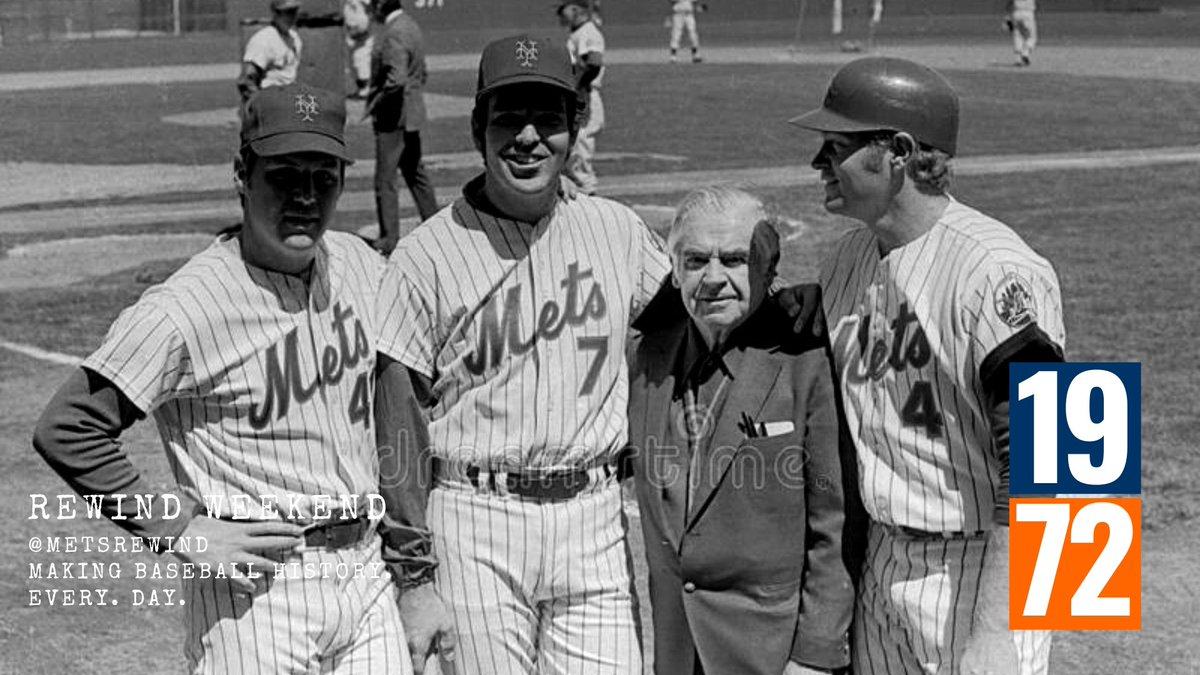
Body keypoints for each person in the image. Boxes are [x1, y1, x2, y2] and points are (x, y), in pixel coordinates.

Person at [31, 83, 419, 674]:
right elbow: (68, 426)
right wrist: (179, 529)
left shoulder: (361, 266)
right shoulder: (185, 307)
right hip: (256, 597)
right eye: (285, 176)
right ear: (243, 173)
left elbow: (402, 412)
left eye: (324, 177)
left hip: (365, 578)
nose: (306, 197)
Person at [373, 34, 672, 675]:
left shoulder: (616, 231)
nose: (529, 137)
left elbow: (686, 327)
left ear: (574, 127)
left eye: (550, 119)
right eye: (509, 117)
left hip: (594, 519)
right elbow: (398, 423)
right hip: (474, 519)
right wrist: (412, 573)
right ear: (479, 127)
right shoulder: (424, 256)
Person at [790, 57, 1063, 675]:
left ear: (900, 152)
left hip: (978, 569)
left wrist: (1002, 628)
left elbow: (1059, 466)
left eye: (836, 146)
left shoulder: (997, 267)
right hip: (883, 563)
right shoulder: (847, 260)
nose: (818, 164)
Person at [626, 187, 863, 675]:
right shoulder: (648, 355)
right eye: (694, 261)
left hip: (773, 655)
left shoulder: (807, 360)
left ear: (768, 269)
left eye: (734, 260)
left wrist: (815, 654)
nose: (713, 279)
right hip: (679, 648)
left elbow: (835, 520)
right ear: (673, 269)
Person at [368, 0, 438, 254]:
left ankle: (389, 238)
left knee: (385, 179)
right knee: (414, 172)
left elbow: (395, 79)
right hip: (412, 113)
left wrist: (377, 102)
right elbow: (422, 72)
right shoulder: (411, 25)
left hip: (394, 116)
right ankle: (434, 225)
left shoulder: (394, 32)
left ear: (379, 7)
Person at [557, 0, 606, 195]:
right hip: (581, 94)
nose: (560, 14)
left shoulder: (587, 31)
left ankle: (590, 204)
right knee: (573, 153)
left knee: (579, 151)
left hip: (585, 97)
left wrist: (575, 87)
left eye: (563, 10)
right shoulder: (579, 32)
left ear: (575, 9)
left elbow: (594, 62)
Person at [238, 0, 303, 104]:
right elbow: (246, 81)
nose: (291, 17)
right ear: (275, 14)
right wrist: (262, 106)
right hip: (269, 103)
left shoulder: (295, 39)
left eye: (293, 12)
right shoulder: (264, 40)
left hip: (288, 102)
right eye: (286, 13)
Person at [344, 0, 374, 98]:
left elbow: (368, 11)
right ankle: (360, 89)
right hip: (351, 29)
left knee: (362, 61)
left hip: (362, 33)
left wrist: (359, 30)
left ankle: (365, 90)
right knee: (353, 64)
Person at [1006, 0, 1037, 67]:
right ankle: (1025, 53)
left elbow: (1010, 3)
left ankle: (1018, 59)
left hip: (1016, 13)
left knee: (1017, 36)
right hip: (1028, 13)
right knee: (1031, 37)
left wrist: (1008, 16)